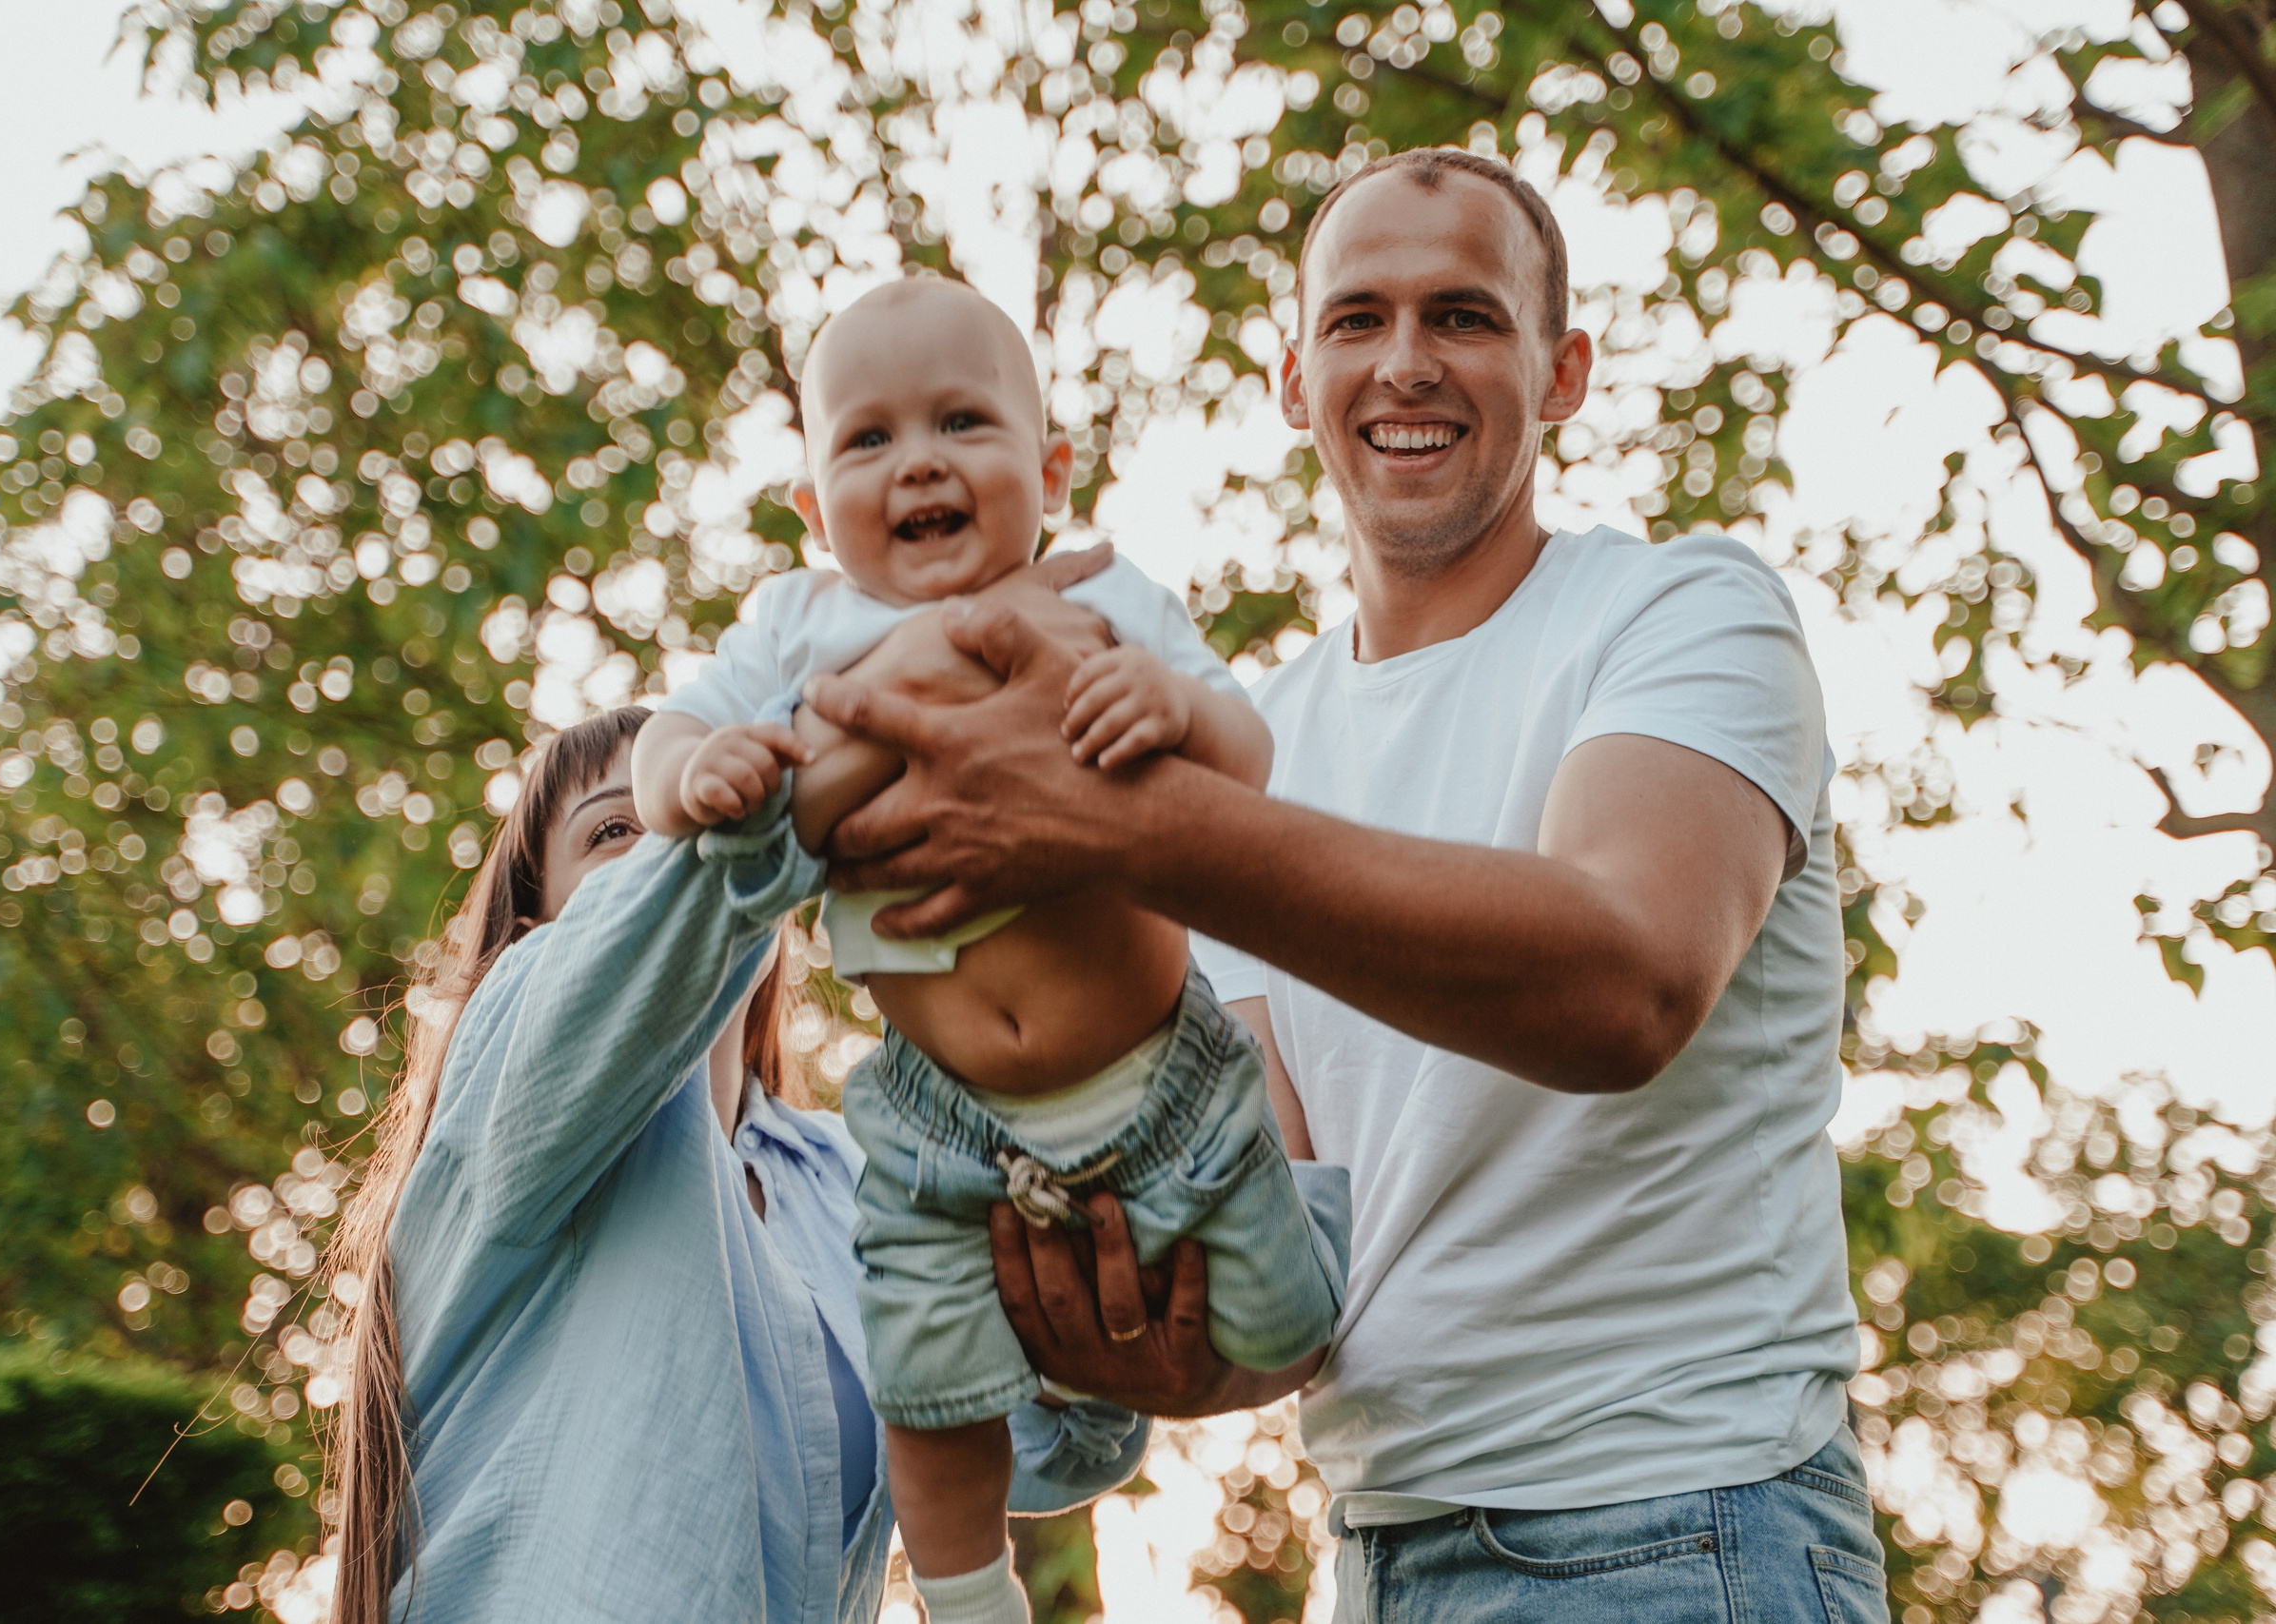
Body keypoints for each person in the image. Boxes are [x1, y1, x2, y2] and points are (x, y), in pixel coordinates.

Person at [801, 149, 1888, 1621]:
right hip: (1380, 1548)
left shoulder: (1683, 611)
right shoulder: (1261, 741)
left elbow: (1624, 979)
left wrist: (1124, 832)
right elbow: (1285, 1243)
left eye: (1466, 316)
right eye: (1359, 319)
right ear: (1293, 371)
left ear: (1562, 372)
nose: (1406, 363)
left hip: (1677, 1522)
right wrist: (1147, 1330)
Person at [629, 277, 1349, 1624]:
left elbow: (1248, 755)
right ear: (808, 506)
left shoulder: (1104, 599)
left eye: (963, 421)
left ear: (1050, 467)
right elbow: (669, 734)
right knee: (924, 1380)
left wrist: (1169, 703)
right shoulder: (796, 625)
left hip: (1160, 1086)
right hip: (937, 1122)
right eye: (868, 438)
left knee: (1282, 1329)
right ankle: (967, 1597)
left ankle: (1216, 1286)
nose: (919, 461)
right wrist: (695, 771)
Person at [316, 703, 1154, 1624]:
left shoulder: (850, 1174)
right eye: (614, 830)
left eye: (695, 808)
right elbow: (654, 931)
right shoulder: (509, 1086)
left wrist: (1085, 1320)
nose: (678, 840)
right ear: (533, 923)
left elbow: (1044, 1443)